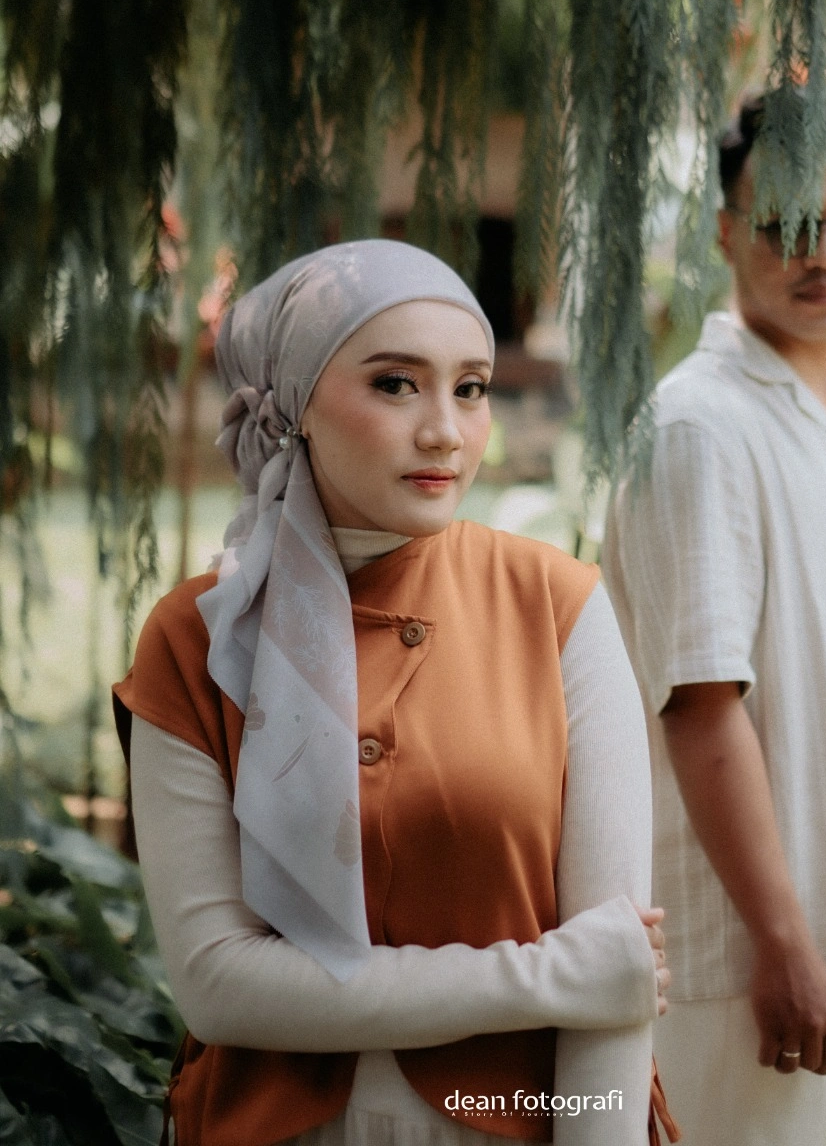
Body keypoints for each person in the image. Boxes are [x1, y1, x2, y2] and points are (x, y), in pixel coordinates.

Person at [113, 240, 677, 1146]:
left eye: (471, 388)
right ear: (295, 402)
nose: (445, 431)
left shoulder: (555, 603)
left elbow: (614, 987)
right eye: (394, 384)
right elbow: (218, 985)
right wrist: (548, 977)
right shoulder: (197, 637)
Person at [602, 93, 826, 1146]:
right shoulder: (700, 427)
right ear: (723, 231)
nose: (822, 252)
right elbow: (699, 705)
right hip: (742, 958)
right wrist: (783, 943)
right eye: (785, 223)